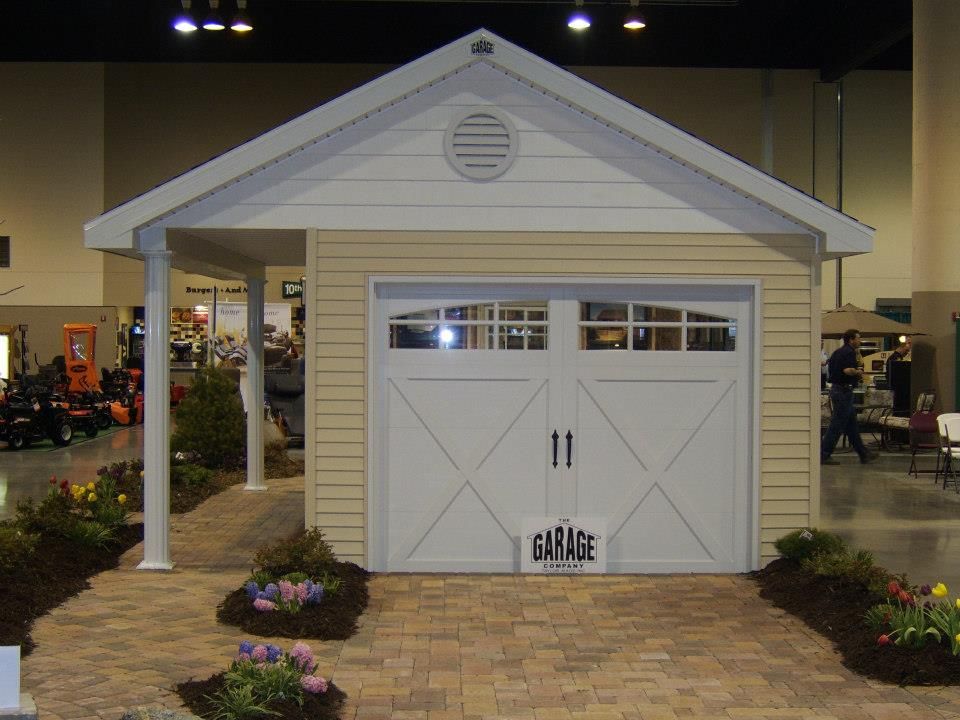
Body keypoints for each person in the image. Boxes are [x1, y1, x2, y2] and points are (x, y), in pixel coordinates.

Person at [821, 328, 878, 465]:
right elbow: (847, 370)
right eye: (858, 338)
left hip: (837, 390)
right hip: (843, 391)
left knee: (851, 425)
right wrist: (858, 372)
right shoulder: (849, 352)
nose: (859, 341)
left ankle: (863, 454)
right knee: (837, 424)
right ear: (851, 339)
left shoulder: (837, 352)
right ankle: (823, 454)